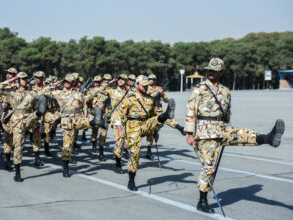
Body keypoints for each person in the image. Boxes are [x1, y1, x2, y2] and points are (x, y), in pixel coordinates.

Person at [184, 57, 285, 214]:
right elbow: (190, 112)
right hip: (205, 132)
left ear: (221, 72)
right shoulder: (199, 89)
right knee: (209, 167)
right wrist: (190, 134)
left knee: (242, 133)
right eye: (209, 70)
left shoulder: (225, 91)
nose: (211, 72)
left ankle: (268, 138)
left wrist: (227, 125)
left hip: (222, 127)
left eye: (215, 71)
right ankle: (202, 201)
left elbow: (227, 112)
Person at [117, 75, 175, 191]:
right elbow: (119, 116)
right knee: (135, 154)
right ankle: (131, 180)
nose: (145, 88)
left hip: (145, 124)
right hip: (132, 127)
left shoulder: (150, 99)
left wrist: (156, 131)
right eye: (143, 86)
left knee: (158, 117)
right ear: (137, 85)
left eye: (146, 86)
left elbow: (155, 112)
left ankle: (166, 114)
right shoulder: (129, 98)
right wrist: (120, 130)